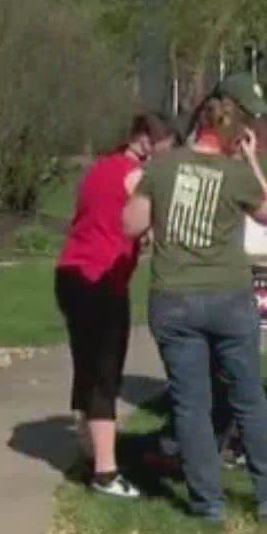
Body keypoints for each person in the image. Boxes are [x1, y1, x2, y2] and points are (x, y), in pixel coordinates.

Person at [123, 74, 267, 524]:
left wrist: (141, 195)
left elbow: (131, 226)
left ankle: (208, 503)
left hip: (174, 298)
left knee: (191, 404)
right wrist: (253, 162)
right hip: (229, 299)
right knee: (247, 397)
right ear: (236, 131)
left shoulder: (161, 167)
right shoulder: (235, 174)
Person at [54, 112, 176, 497]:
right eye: (163, 149)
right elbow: (155, 223)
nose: (165, 158)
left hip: (70, 273)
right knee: (106, 372)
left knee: (86, 364)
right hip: (99, 279)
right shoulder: (136, 175)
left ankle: (88, 450)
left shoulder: (98, 169)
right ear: (143, 140)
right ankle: (106, 474)